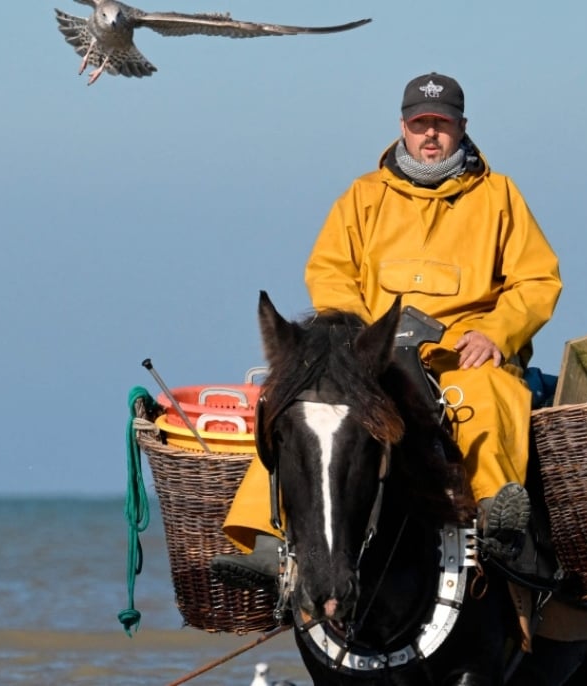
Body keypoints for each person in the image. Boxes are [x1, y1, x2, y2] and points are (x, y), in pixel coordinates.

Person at [212, 71, 562, 588]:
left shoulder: (499, 196)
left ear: (461, 127)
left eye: (441, 124)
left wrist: (495, 332)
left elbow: (537, 279)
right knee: (297, 407)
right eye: (421, 123)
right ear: (403, 126)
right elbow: (329, 270)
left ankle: (494, 522)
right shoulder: (362, 196)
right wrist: (360, 339)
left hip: (459, 355)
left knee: (486, 396)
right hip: (374, 358)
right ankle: (268, 539)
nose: (430, 135)